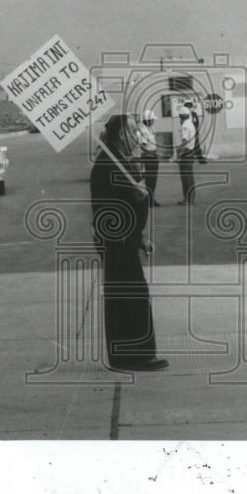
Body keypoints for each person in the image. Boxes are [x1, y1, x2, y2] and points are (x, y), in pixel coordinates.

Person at [90, 115, 168, 372]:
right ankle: (131, 356)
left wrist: (139, 236)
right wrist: (138, 197)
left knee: (131, 297)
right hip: (116, 243)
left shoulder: (119, 161)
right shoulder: (109, 164)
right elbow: (112, 209)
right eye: (134, 131)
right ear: (122, 134)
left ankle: (134, 354)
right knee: (128, 298)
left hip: (124, 240)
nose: (138, 135)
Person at [135, 110, 161, 206]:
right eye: (152, 120)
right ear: (148, 120)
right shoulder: (142, 131)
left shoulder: (150, 128)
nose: (154, 121)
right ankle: (149, 200)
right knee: (150, 179)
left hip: (153, 156)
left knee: (153, 179)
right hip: (149, 157)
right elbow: (143, 146)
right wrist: (151, 155)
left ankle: (151, 198)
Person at [177, 105, 198, 204]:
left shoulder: (185, 125)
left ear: (181, 116)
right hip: (191, 151)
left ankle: (187, 198)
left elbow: (184, 141)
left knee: (185, 177)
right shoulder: (191, 124)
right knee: (190, 176)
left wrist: (179, 155)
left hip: (186, 153)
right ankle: (192, 197)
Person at [183, 100, 208, 164]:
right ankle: (188, 159)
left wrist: (196, 130)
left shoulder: (194, 114)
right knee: (188, 146)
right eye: (187, 107)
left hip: (194, 132)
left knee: (197, 146)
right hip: (188, 133)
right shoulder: (184, 115)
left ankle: (201, 160)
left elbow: (197, 122)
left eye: (190, 107)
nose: (189, 108)